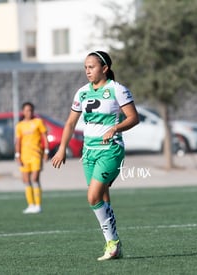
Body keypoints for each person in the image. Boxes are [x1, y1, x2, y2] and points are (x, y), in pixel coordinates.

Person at [51, 51, 139, 261]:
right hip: (88, 152)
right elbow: (71, 122)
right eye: (85, 67)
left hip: (111, 150)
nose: (87, 71)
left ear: (104, 68)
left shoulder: (117, 90)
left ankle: (113, 243)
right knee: (101, 197)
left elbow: (134, 118)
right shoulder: (82, 92)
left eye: (91, 67)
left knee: (92, 197)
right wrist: (62, 147)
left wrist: (115, 128)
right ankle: (114, 245)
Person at [15, 102, 49, 214]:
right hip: (25, 156)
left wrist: (46, 151)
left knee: (35, 179)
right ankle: (31, 205)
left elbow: (44, 136)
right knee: (26, 180)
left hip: (36, 155)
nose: (28, 112)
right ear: (23, 112)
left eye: (30, 110)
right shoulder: (19, 125)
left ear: (33, 111)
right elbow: (18, 141)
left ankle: (38, 205)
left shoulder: (38, 122)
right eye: (26, 110)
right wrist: (17, 155)